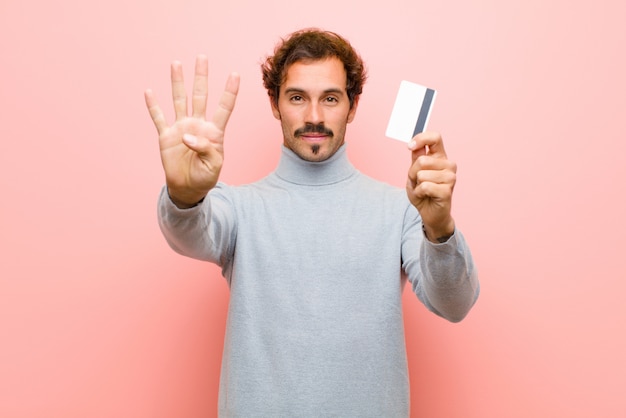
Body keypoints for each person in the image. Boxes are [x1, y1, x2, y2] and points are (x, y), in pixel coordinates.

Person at [145, 28, 479, 418]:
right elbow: (188, 232)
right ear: (275, 103)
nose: (314, 116)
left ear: (352, 107)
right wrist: (185, 195)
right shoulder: (237, 208)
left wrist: (439, 227)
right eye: (298, 97)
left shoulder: (403, 210)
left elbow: (455, 304)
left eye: (331, 98)